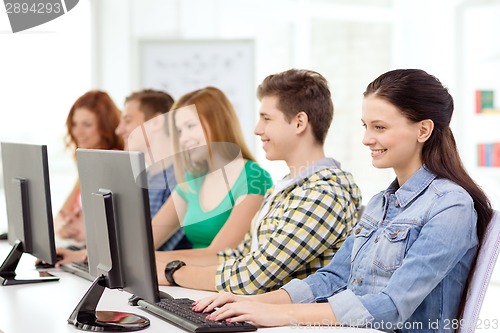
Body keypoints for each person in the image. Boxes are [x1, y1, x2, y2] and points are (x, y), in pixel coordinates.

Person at [193, 69, 494, 332]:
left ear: (423, 130)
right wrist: (250, 303)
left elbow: (390, 308)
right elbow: (333, 277)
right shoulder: (381, 202)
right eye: (366, 126)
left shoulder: (451, 206)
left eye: (380, 127)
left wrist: (278, 313)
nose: (366, 139)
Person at [156, 69, 362, 295]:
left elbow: (253, 276)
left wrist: (173, 271)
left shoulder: (324, 193)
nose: (257, 129)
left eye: (266, 118)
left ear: (299, 123)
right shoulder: (284, 189)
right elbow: (239, 255)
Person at [152, 86, 273, 252]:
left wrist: (158, 262)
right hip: (183, 275)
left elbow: (217, 255)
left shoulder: (254, 178)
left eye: (190, 126)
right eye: (179, 131)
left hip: (219, 276)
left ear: (218, 123)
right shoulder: (192, 179)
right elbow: (148, 240)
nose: (183, 138)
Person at [54, 90, 123, 248]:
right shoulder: (90, 162)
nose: (78, 132)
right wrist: (66, 228)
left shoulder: (113, 161)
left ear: (105, 126)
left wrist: (69, 228)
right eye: (75, 124)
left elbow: (100, 228)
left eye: (87, 124)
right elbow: (59, 221)